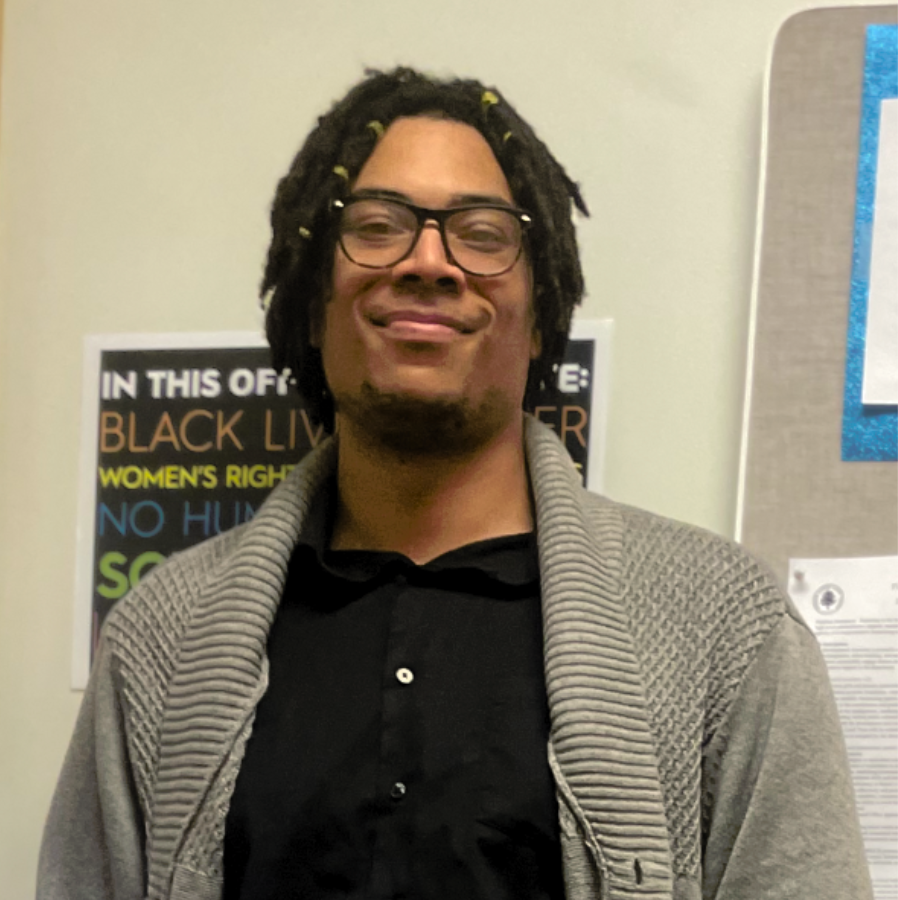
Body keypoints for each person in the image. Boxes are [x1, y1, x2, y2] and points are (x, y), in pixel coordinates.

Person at [38, 67, 872, 900]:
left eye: (481, 233)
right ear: (312, 301)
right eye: (376, 226)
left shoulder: (722, 629)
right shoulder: (161, 642)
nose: (428, 261)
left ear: (541, 312)